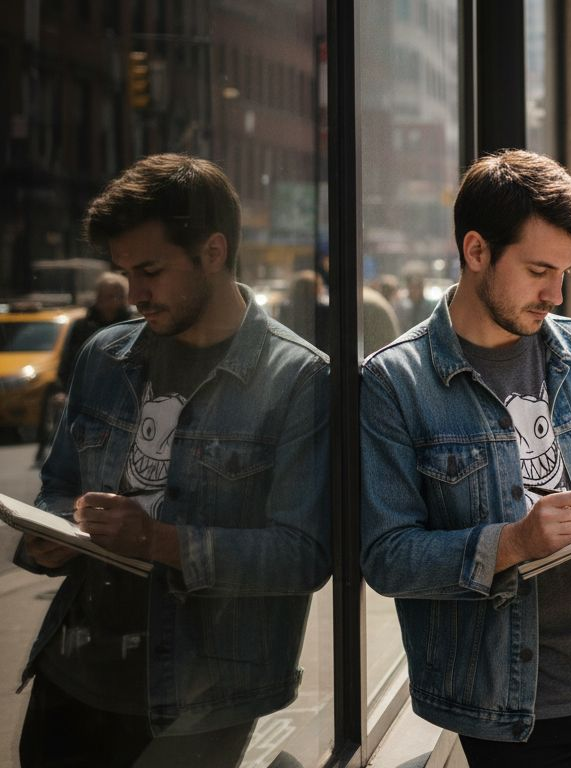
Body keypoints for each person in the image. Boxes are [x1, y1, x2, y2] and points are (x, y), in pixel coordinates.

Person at [361, 150, 571, 767]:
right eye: (540, 270)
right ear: (477, 250)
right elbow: (387, 557)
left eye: (565, 273)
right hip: (510, 709)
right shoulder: (396, 382)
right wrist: (512, 542)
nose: (555, 293)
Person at [14, 154, 331, 767]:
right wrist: (50, 535)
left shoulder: (297, 378)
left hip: (201, 699)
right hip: (71, 675)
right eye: (126, 273)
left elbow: (304, 555)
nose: (135, 294)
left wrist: (156, 540)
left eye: (151, 271)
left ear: (213, 252)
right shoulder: (105, 356)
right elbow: (57, 485)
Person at [36, 272, 134, 465]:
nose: (111, 300)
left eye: (117, 295)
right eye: (106, 295)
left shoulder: (133, 323)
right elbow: (69, 361)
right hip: (86, 393)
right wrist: (64, 390)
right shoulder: (82, 325)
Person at [395, 263, 438, 330]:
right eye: (412, 287)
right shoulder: (401, 306)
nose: (415, 290)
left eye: (418, 287)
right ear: (408, 287)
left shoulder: (431, 306)